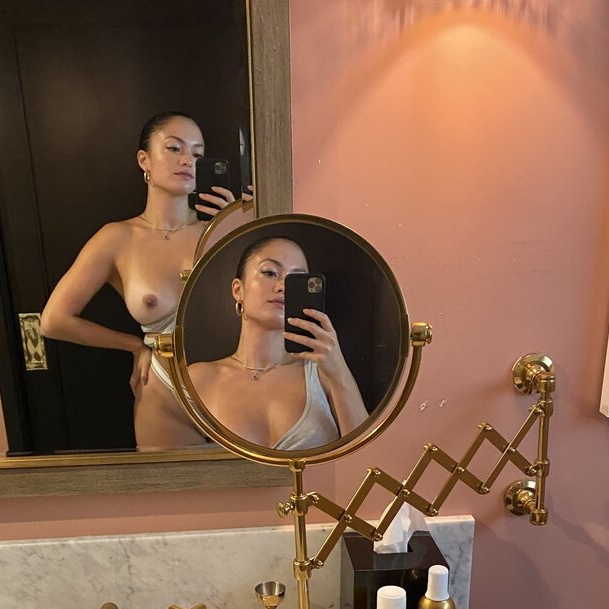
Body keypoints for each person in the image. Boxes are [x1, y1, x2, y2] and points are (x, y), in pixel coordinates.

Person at [39, 112, 237, 449]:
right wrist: (133, 345)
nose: (187, 160)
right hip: (162, 391)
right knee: (170, 485)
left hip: (234, 385)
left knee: (255, 482)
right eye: (174, 148)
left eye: (198, 153)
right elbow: (53, 321)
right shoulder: (118, 239)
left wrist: (235, 229)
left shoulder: (222, 231)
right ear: (144, 160)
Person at [184, 236, 369, 452]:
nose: (283, 286)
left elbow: (367, 456)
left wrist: (339, 373)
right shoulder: (198, 379)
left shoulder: (322, 374)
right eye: (270, 273)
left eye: (296, 279)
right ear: (238, 290)